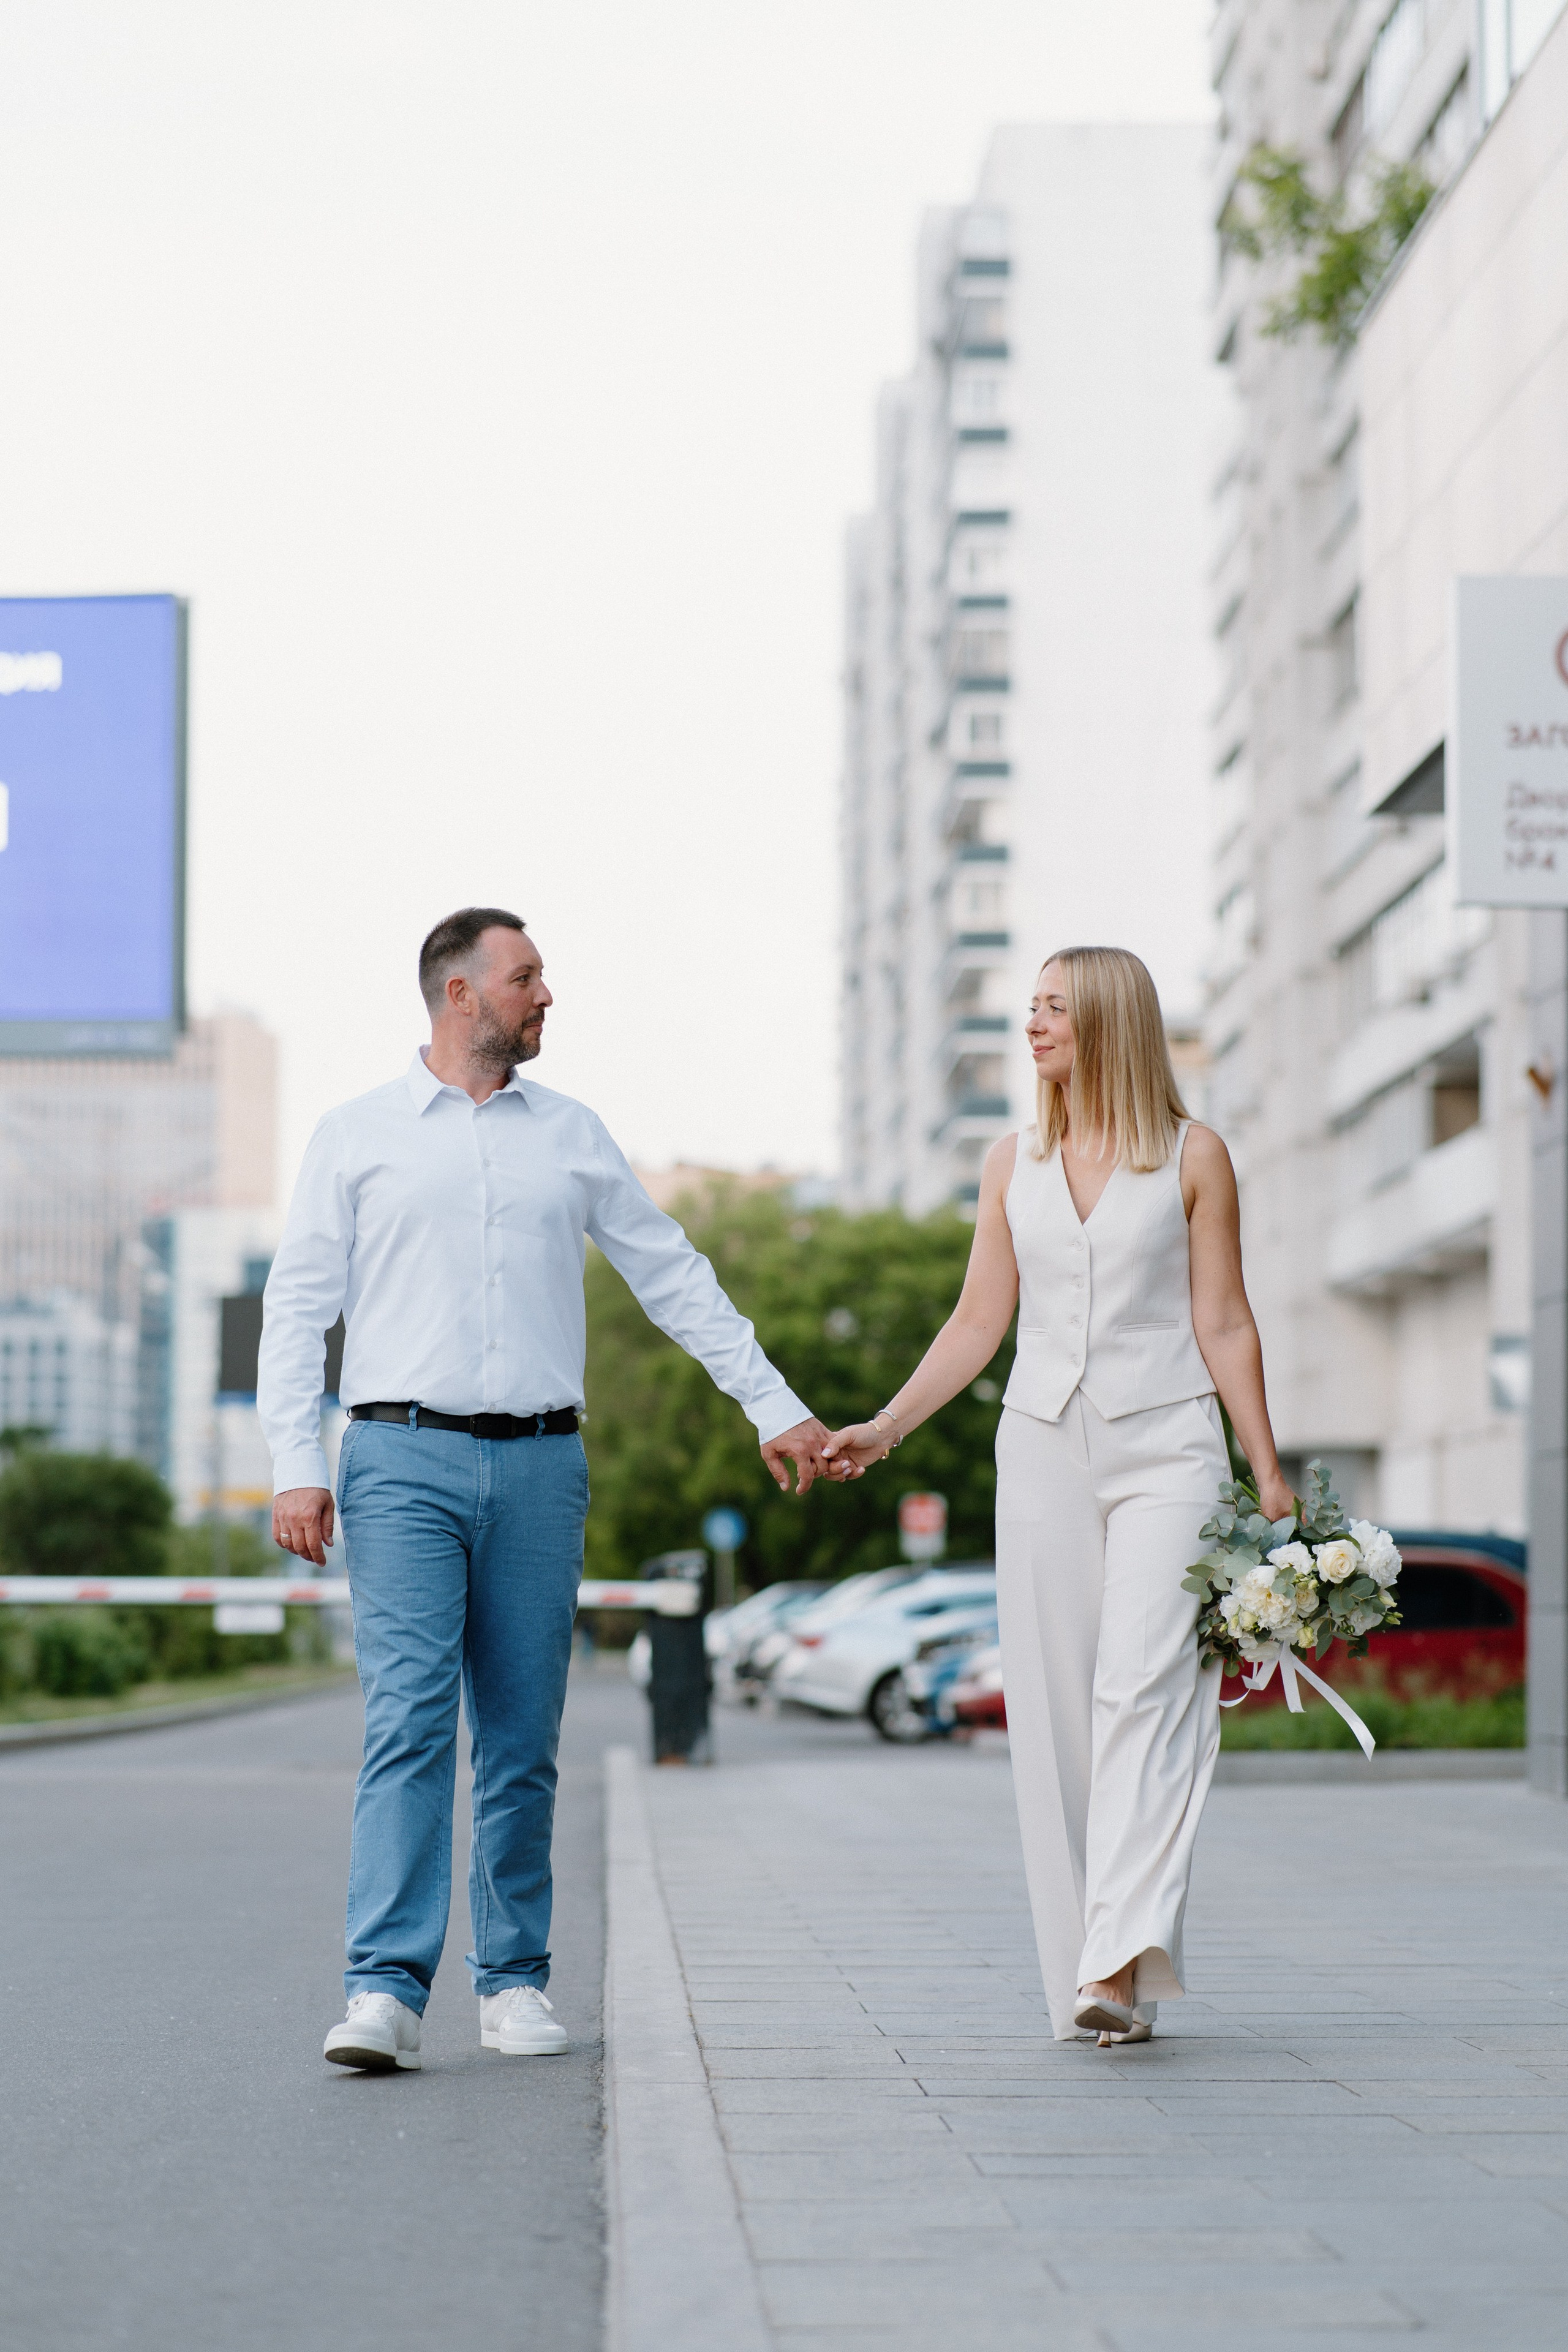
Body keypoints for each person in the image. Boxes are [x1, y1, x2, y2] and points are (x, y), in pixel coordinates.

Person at [258, 907, 841, 2074]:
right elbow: (298, 1305)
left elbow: (673, 1272)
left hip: (538, 1463)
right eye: (526, 977)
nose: (546, 995)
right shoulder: (357, 1134)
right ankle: (384, 1990)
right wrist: (295, 1465)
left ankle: (515, 1981)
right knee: (411, 1722)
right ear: (459, 993)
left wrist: (772, 1403)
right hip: (398, 1457)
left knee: (523, 1736)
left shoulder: (570, 1135)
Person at [823, 946, 1290, 2047]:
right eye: (1029, 1005)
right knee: (1055, 1709)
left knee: (1145, 1690)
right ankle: (1091, 1953)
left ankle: (1120, 1963)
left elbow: (1224, 1319)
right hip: (1039, 1447)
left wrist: (1267, 1465)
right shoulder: (1011, 1161)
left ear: (1112, 1023)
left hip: (1171, 1448)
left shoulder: (1194, 1155)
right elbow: (979, 1321)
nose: (1032, 1024)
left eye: (1055, 1008)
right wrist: (886, 1429)